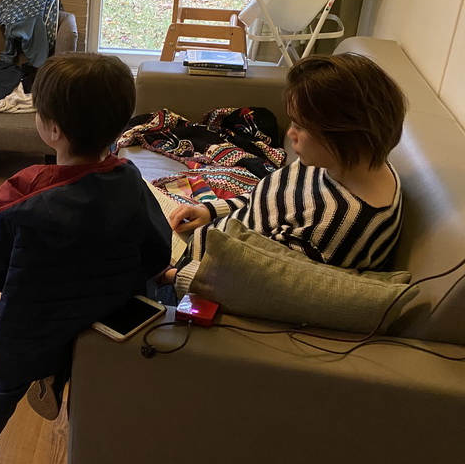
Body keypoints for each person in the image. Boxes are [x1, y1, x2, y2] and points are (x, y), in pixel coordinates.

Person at [0, 52, 172, 464]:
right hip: (106, 317)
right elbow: (157, 251)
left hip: (29, 328)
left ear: (52, 130)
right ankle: (57, 376)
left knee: (0, 391)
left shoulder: (20, 194)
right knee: (85, 377)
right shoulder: (130, 182)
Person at [164, 53, 408, 296]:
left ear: (344, 135)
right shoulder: (348, 164)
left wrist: (173, 275)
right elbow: (273, 202)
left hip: (198, 274)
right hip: (209, 236)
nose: (290, 134)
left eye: (300, 127)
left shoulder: (335, 229)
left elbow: (255, 284)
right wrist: (211, 211)